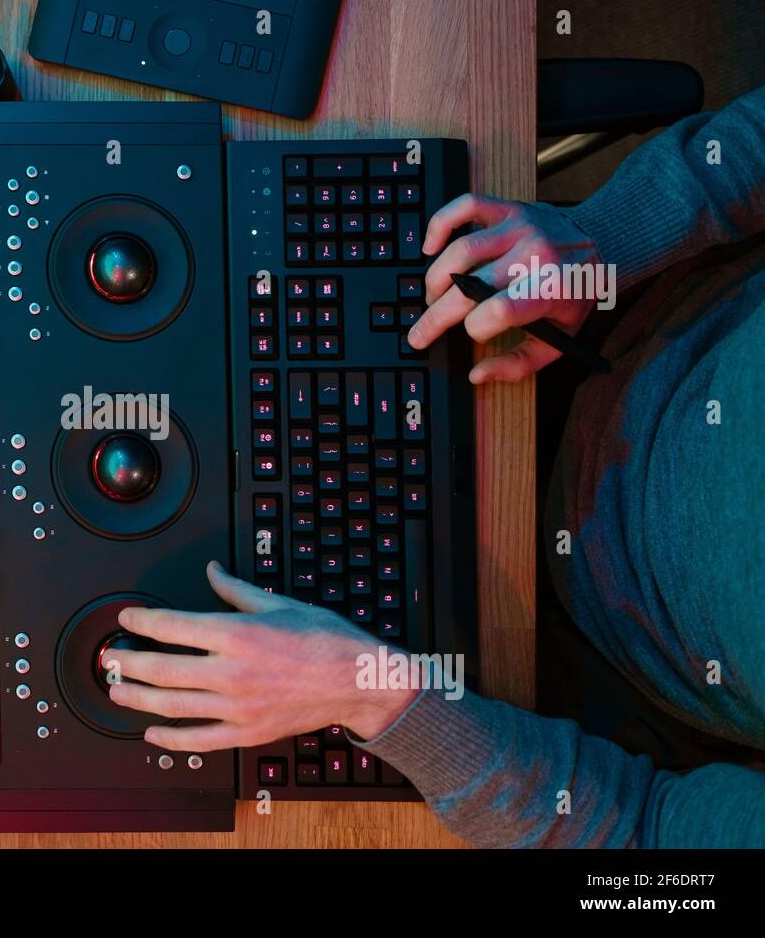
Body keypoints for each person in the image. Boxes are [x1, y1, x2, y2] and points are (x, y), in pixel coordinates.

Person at [103, 84, 765, 847]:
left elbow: (643, 844)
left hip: (558, 666)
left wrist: (371, 694)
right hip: (594, 314)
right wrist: (610, 238)